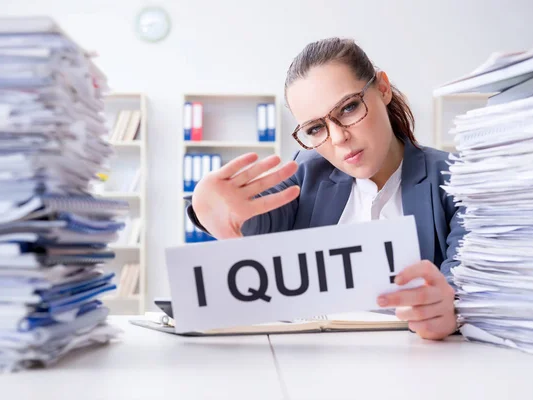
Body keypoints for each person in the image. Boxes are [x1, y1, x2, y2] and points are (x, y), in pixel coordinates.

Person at [186, 38, 465, 340]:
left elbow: (471, 278)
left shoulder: (456, 178)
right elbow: (259, 221)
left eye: (348, 108)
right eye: (316, 129)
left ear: (382, 88)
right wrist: (215, 210)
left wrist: (452, 307)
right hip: (314, 367)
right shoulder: (307, 171)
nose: (338, 137)